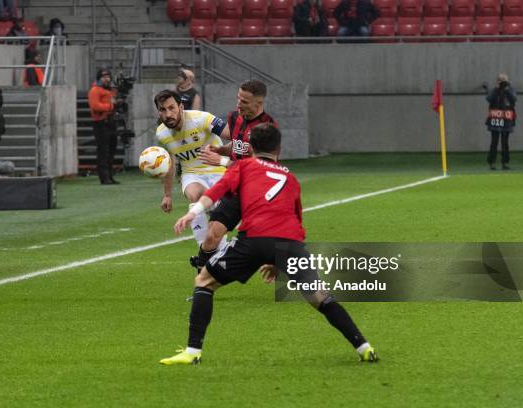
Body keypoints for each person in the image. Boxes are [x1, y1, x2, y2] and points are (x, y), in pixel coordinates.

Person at [160, 123, 379, 365]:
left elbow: (219, 189)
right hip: (289, 243)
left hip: (253, 239)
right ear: (280, 149)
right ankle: (364, 347)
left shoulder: (244, 166)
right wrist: (278, 260)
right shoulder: (290, 177)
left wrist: (194, 213)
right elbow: (297, 219)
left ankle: (192, 352)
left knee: (204, 281)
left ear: (251, 147)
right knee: (319, 297)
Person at [192, 80, 277, 274]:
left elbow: (257, 166)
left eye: (245, 102)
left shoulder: (267, 128)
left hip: (259, 191)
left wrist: (221, 161)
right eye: (238, 99)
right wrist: (221, 149)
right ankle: (201, 284)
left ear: (259, 103)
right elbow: (238, 144)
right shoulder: (234, 117)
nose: (239, 104)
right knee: (212, 235)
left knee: (269, 244)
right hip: (235, 188)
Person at [154, 89, 230, 248]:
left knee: (217, 207)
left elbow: (232, 135)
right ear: (158, 112)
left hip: (219, 170)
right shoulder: (162, 134)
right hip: (192, 174)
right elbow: (170, 163)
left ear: (180, 107)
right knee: (198, 195)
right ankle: (205, 250)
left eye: (171, 107)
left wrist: (223, 156)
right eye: (163, 109)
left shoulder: (202, 119)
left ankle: (218, 248)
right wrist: (167, 195)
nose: (168, 114)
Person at [88, 68, 119, 185]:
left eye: (108, 76)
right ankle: (104, 177)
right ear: (99, 78)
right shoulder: (95, 90)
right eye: (104, 76)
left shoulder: (110, 90)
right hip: (101, 123)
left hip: (111, 122)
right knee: (103, 151)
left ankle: (110, 176)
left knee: (111, 150)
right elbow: (95, 106)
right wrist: (111, 106)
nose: (107, 79)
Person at [485, 74, 516, 171]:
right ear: (497, 81)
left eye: (504, 81)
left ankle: (505, 163)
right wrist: (496, 88)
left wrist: (506, 89)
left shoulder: (510, 89)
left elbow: (514, 99)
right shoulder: (495, 90)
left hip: (506, 120)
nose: (502, 83)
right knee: (494, 142)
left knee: (505, 143)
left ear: (507, 82)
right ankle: (492, 163)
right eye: (501, 81)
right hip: (496, 120)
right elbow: (488, 99)